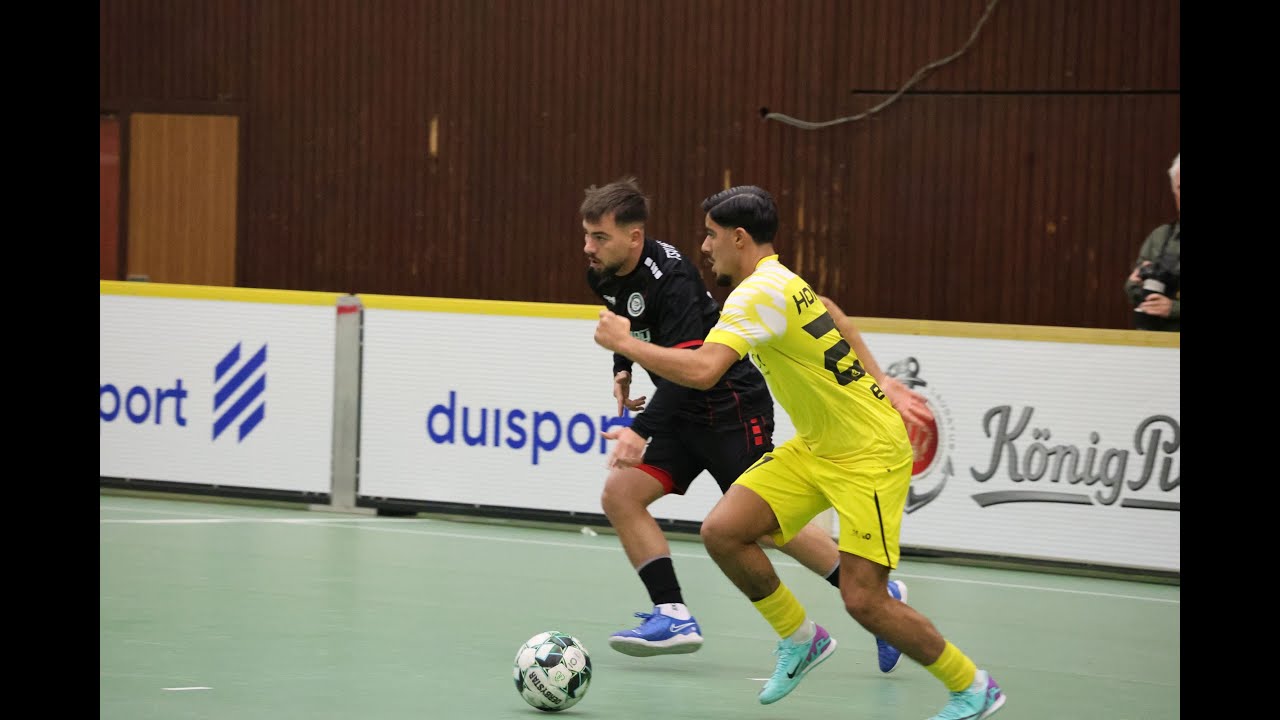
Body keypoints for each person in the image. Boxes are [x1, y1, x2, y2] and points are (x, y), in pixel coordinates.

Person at [593, 185, 1006, 720]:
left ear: (739, 238)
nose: (705, 247)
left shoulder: (753, 295)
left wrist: (626, 345)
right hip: (817, 445)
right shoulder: (779, 281)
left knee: (865, 600)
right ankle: (801, 637)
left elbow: (703, 370)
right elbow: (830, 310)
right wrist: (880, 377)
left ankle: (972, 686)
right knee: (724, 531)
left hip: (868, 453)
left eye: (712, 235)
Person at [581, 177, 912, 673]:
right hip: (681, 411)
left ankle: (879, 597)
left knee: (767, 525)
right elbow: (628, 331)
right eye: (587, 236)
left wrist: (641, 428)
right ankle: (673, 614)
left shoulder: (673, 278)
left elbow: (698, 369)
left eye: (599, 237)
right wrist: (622, 370)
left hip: (729, 409)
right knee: (620, 495)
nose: (588, 248)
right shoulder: (604, 272)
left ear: (634, 237)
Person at [1125, 152, 1180, 331]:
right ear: (1174, 193)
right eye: (1180, 188)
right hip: (1156, 340)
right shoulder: (1160, 237)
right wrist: (1136, 284)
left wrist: (1173, 309)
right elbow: (1134, 289)